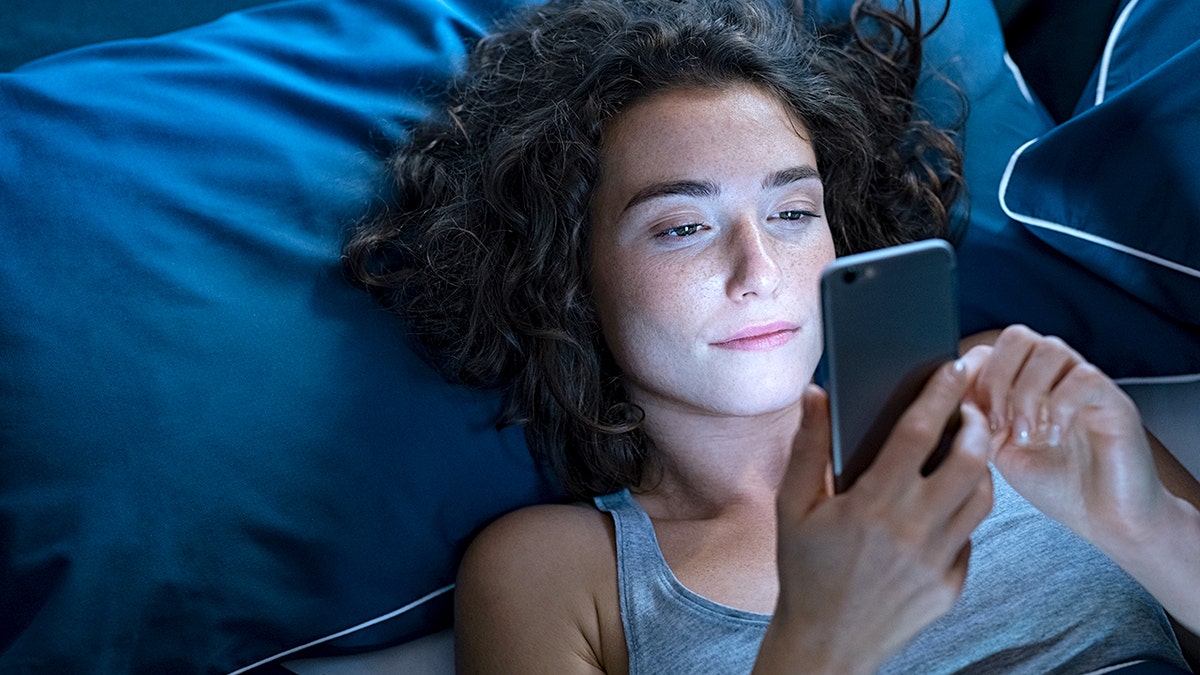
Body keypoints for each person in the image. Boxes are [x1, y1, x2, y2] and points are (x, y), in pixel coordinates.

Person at [343, 0, 1200, 671]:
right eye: (681, 226)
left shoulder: (1003, 394)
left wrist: (1146, 523)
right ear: (568, 271)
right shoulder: (558, 576)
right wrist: (823, 640)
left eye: (793, 212)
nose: (759, 270)